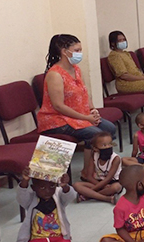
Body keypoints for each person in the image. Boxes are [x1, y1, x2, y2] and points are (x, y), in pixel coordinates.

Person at [38, 34, 117, 162]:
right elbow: (58, 106)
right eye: (76, 50)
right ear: (64, 52)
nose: (80, 53)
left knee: (109, 128)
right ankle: (89, 171)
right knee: (95, 134)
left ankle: (103, 165)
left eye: (80, 50)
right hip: (57, 120)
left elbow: (84, 92)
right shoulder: (55, 74)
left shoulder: (76, 69)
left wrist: (92, 110)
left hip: (78, 116)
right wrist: (86, 118)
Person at [74, 132, 122, 203]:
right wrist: (101, 186)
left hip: (112, 182)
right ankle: (106, 198)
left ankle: (88, 196)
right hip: (97, 182)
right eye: (104, 145)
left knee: (116, 187)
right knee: (76, 185)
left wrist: (90, 191)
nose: (108, 147)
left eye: (110, 144)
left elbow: (108, 178)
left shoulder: (116, 158)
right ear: (96, 148)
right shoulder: (94, 156)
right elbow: (89, 176)